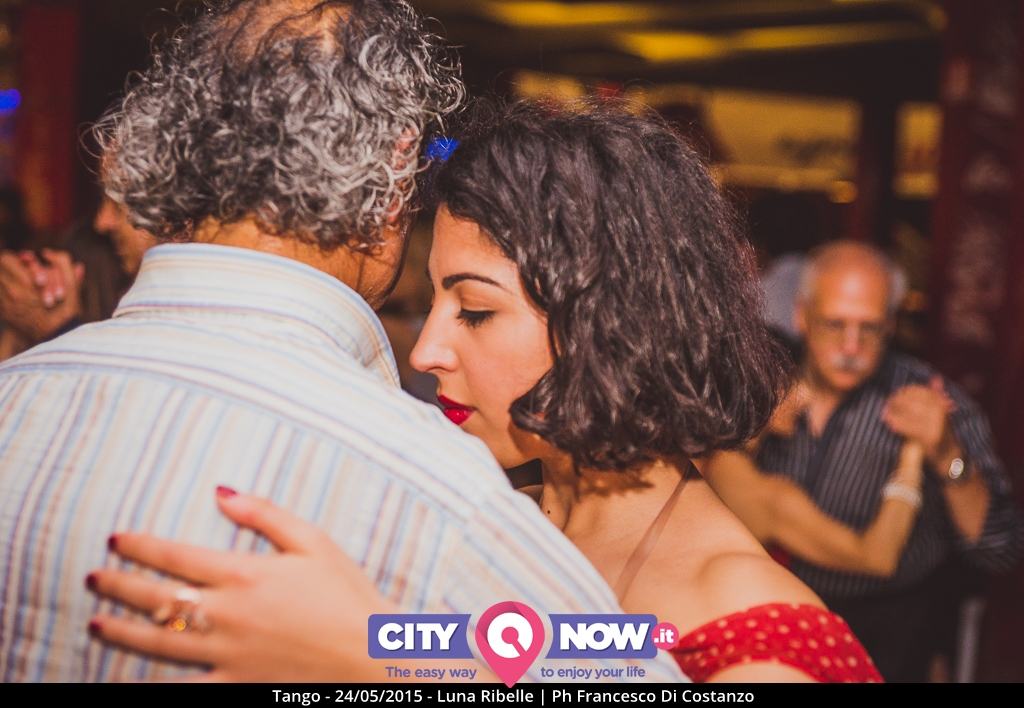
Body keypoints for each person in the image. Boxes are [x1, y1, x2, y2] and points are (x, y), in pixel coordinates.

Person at [0, 2, 682, 683]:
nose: (428, 352)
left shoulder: (14, 397)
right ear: (391, 185)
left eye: (473, 309)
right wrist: (391, 657)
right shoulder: (431, 492)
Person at [89, 102, 886, 682]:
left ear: (609, 322)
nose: (428, 351)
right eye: (433, 302)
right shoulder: (503, 516)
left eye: (474, 310)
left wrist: (372, 660)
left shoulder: (756, 633)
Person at [741, 240, 1021, 682]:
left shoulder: (935, 402)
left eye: (869, 329)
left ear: (890, 324)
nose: (851, 346)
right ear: (802, 316)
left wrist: (947, 453)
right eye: (835, 324)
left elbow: (999, 550)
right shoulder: (761, 388)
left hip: (888, 629)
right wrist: (751, 433)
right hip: (771, 614)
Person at [704, 379, 927, 579]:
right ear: (752, 390)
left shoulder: (715, 460)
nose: (805, 398)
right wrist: (912, 456)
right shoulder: (772, 498)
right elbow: (877, 559)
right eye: (786, 384)